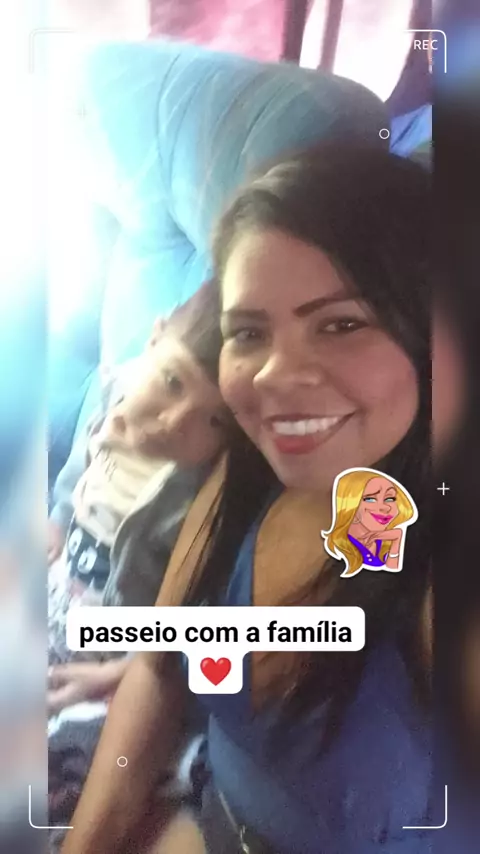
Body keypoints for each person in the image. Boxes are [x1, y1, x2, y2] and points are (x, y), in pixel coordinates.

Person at [61, 144, 432, 854]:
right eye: (249, 334)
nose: (273, 376)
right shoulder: (244, 478)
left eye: (341, 324)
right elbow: (160, 670)